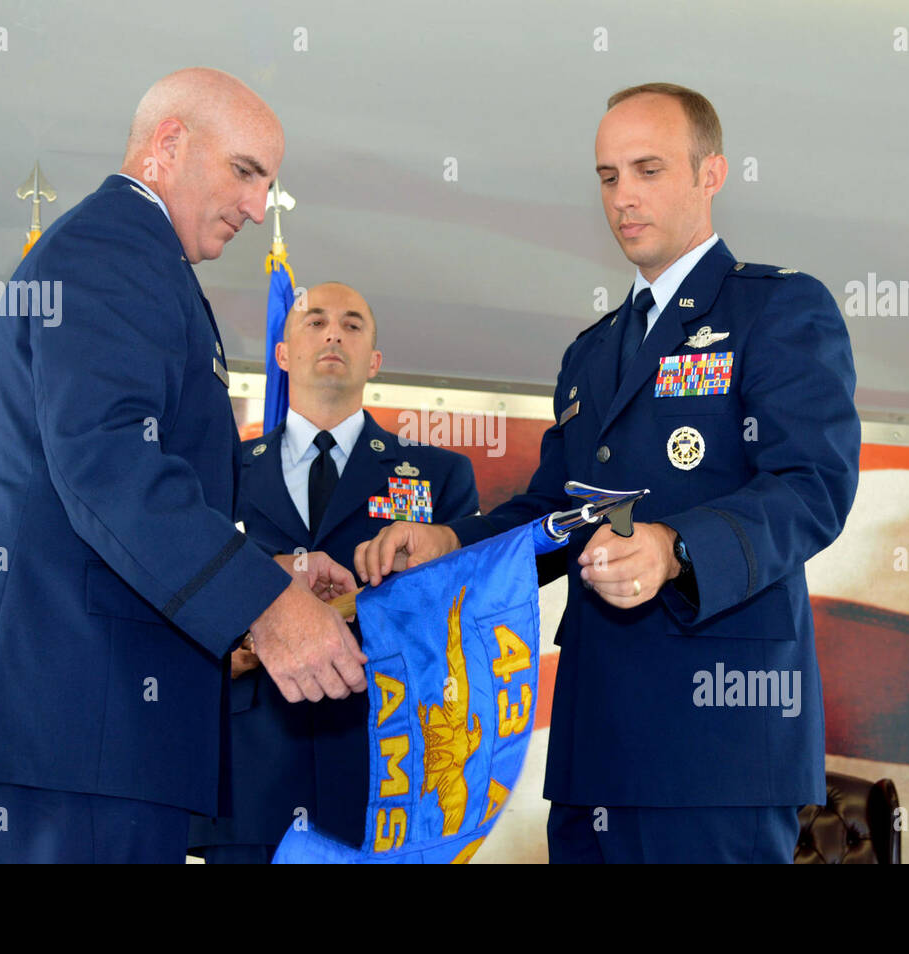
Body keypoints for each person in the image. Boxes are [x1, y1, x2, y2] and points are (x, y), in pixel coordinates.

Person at [356, 83, 860, 863]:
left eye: (647, 170)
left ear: (711, 173)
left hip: (716, 740)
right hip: (596, 741)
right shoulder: (590, 353)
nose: (623, 197)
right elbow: (556, 511)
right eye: (607, 176)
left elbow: (812, 486)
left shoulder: (779, 310)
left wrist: (676, 548)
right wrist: (454, 541)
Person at [0, 68, 366, 863]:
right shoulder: (112, 250)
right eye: (246, 172)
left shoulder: (137, 258)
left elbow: (108, 497)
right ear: (170, 144)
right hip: (76, 725)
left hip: (93, 731)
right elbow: (109, 466)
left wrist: (274, 572)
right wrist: (267, 606)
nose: (259, 209)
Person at [189, 282, 479, 863]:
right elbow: (187, 596)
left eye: (352, 324)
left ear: (374, 360)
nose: (332, 333)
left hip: (388, 775)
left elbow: (461, 619)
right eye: (314, 320)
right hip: (248, 777)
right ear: (283, 353)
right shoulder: (218, 476)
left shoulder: (439, 474)